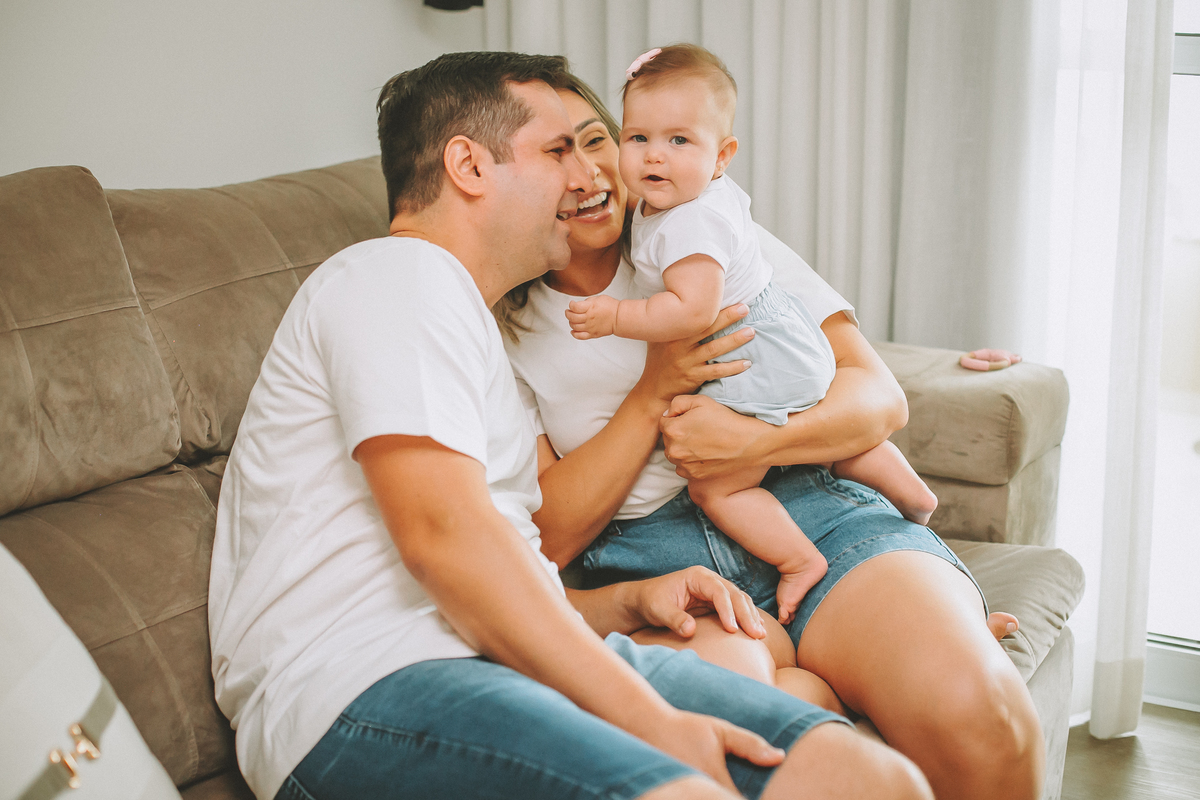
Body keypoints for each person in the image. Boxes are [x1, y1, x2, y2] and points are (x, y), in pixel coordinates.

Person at [207, 51, 933, 800]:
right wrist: (651, 720)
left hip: (491, 660)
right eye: (558, 151)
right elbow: (446, 543)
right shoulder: (395, 277)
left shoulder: (471, 333)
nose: (593, 175)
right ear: (468, 166)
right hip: (361, 688)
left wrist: (624, 602)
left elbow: (508, 573)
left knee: (867, 777)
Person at [500, 63, 1042, 800]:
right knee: (751, 755)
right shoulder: (500, 324)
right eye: (553, 154)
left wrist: (754, 446)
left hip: (808, 509)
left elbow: (876, 399)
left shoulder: (701, 226)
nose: (590, 170)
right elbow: (551, 536)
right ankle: (828, 673)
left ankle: (900, 635)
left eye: (595, 139)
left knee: (990, 722)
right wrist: (654, 390)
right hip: (653, 564)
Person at [563, 44, 937, 625]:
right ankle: (913, 497)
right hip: (786, 341)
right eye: (638, 139)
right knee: (836, 436)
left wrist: (614, 317)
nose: (653, 156)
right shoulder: (699, 202)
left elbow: (690, 313)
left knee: (720, 489)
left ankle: (798, 561)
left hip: (753, 356)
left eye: (678, 141)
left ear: (722, 156)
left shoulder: (686, 224)